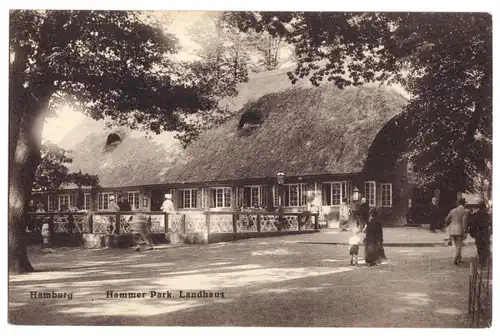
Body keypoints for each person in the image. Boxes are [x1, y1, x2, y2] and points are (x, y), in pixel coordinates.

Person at [445, 198, 468, 265]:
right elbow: (464, 222)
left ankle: (460, 258)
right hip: (459, 230)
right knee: (459, 246)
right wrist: (465, 230)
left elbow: (446, 219)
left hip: (452, 230)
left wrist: (451, 223)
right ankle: (455, 259)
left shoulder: (453, 210)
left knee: (457, 245)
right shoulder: (464, 211)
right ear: (464, 204)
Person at [468, 201, 491, 267]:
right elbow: (491, 223)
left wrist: (472, 233)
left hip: (478, 233)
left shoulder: (476, 215)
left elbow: (473, 225)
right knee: (485, 246)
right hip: (485, 232)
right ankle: (484, 260)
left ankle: (481, 260)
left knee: (479, 247)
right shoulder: (487, 215)